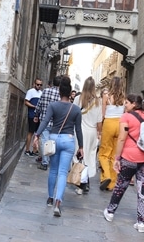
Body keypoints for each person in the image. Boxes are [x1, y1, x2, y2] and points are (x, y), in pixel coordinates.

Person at [103, 94, 144, 233]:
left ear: (134, 104)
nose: (125, 105)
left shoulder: (126, 117)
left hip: (130, 157)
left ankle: (110, 212)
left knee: (121, 184)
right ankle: (141, 222)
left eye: (127, 103)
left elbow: (122, 138)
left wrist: (117, 158)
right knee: (143, 189)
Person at [33, 77, 83, 217]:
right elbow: (78, 129)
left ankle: (50, 198)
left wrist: (37, 135)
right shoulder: (76, 109)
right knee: (62, 172)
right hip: (68, 140)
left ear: (60, 92)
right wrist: (81, 147)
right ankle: (58, 202)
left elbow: (45, 121)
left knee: (53, 170)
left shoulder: (53, 106)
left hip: (54, 139)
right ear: (70, 93)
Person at [72, 76, 102, 192]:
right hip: (92, 132)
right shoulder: (98, 102)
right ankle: (86, 181)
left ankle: (82, 184)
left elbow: (73, 116)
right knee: (89, 156)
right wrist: (99, 133)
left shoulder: (78, 99)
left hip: (79, 131)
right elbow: (99, 121)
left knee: (79, 156)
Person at [98, 76, 126, 191]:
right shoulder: (124, 98)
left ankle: (106, 176)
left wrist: (99, 129)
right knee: (115, 154)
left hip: (109, 123)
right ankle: (112, 184)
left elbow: (103, 114)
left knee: (104, 153)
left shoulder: (107, 96)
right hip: (120, 124)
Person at [34, 75, 62, 170]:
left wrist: (36, 115)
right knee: (54, 141)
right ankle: (51, 161)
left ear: (53, 83)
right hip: (56, 122)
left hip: (44, 121)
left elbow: (39, 104)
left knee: (44, 141)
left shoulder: (45, 91)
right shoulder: (61, 95)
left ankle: (44, 162)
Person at [24, 78, 43, 157]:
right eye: (37, 84)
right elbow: (26, 102)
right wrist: (34, 107)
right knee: (31, 132)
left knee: (37, 133)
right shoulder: (30, 91)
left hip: (39, 116)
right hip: (32, 115)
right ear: (34, 84)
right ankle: (27, 150)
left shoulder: (41, 93)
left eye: (40, 85)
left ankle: (35, 150)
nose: (39, 86)